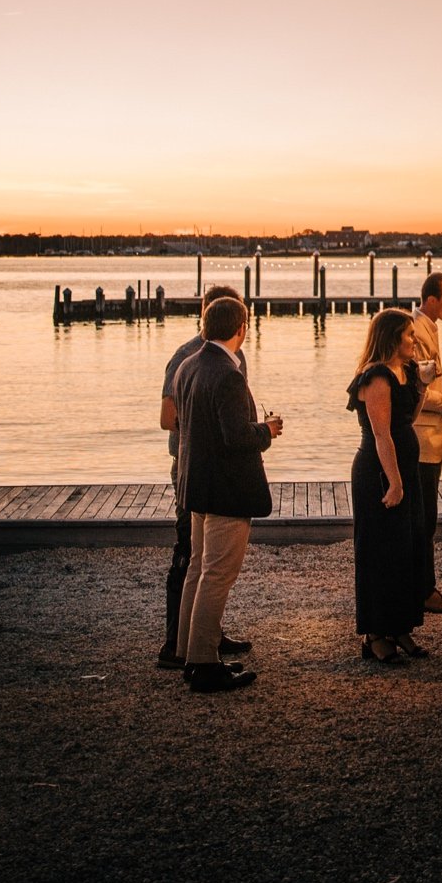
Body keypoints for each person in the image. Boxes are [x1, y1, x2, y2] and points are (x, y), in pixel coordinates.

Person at [174, 297, 281, 693]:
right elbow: (236, 437)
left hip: (196, 485)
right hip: (225, 489)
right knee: (217, 574)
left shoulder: (189, 365)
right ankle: (203, 663)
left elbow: (188, 425)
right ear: (242, 327)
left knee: (197, 570)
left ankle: (189, 651)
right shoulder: (229, 374)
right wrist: (267, 430)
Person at [156, 284, 252, 670]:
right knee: (193, 557)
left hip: (213, 463)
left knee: (205, 560)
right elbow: (167, 419)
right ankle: (177, 645)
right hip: (194, 466)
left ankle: (202, 636)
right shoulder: (184, 356)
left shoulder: (235, 356)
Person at [348, 307, 430, 663]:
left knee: (407, 548)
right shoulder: (376, 376)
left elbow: (409, 417)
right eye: (410, 334)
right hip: (379, 471)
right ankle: (375, 633)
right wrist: (395, 483)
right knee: (381, 550)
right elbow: (382, 434)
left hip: (404, 466)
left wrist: (423, 384)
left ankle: (401, 626)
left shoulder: (405, 370)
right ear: (392, 337)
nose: (415, 340)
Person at [410, 272, 442, 614]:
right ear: (432, 300)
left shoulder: (429, 328)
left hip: (433, 439)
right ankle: (423, 591)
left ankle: (420, 588)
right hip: (422, 439)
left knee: (425, 517)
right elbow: (416, 393)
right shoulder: (415, 332)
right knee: (423, 519)